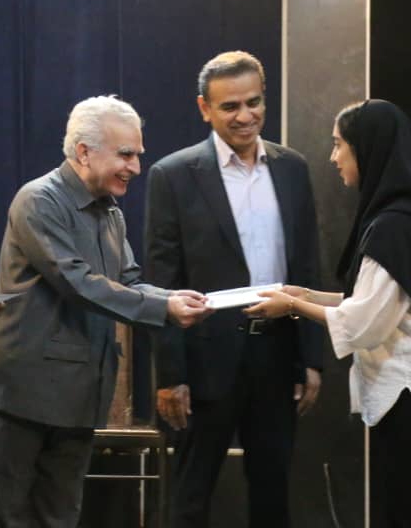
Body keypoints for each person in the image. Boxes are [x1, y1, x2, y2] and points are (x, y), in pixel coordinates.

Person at [0, 95, 211, 528]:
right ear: (83, 152)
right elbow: (77, 282)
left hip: (78, 396)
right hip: (23, 394)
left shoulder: (110, 213)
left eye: (137, 155)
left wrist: (177, 298)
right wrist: (163, 308)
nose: (136, 167)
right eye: (126, 154)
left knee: (60, 517)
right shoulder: (39, 200)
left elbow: (130, 281)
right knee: (7, 518)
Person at [245, 99, 411, 528]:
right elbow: (374, 301)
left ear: (367, 149)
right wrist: (306, 294)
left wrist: (292, 306)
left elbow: (362, 323)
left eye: (340, 145)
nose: (333, 157)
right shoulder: (410, 216)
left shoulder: (396, 226)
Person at [144, 51, 324, 528]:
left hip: (278, 356)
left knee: (273, 495)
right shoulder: (173, 175)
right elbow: (163, 284)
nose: (245, 116)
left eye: (254, 102)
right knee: (190, 498)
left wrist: (311, 357)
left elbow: (308, 265)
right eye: (230, 106)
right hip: (204, 364)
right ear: (204, 108)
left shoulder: (292, 168)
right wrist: (170, 374)